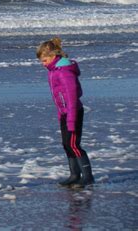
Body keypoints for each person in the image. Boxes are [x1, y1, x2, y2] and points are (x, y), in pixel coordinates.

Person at [36, 37, 94, 188]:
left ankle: (88, 176)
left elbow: (72, 97)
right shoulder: (53, 70)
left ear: (53, 56)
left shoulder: (64, 71)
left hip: (73, 113)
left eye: (44, 60)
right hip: (64, 113)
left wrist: (70, 119)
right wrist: (61, 113)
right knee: (66, 144)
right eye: (41, 61)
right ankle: (74, 174)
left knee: (74, 144)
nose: (43, 64)